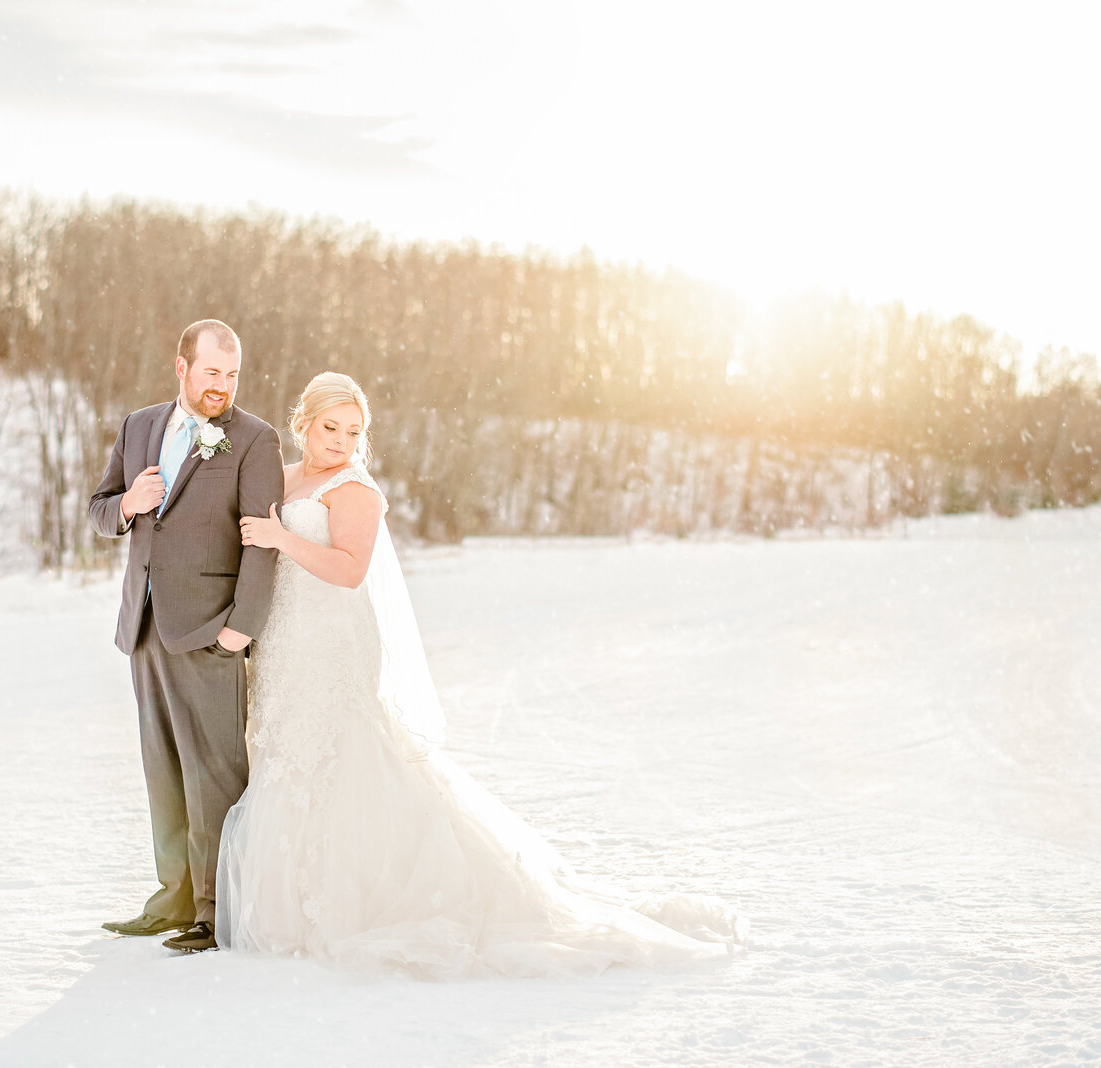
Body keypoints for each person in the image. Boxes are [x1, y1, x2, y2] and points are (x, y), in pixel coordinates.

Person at [222, 371, 746, 978]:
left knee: (344, 755)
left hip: (335, 642)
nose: (340, 441)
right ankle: (285, 903)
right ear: (303, 423)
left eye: (353, 431)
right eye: (330, 427)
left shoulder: (354, 489)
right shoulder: (284, 479)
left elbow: (347, 571)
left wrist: (282, 537)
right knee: (285, 751)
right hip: (288, 639)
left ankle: (362, 899)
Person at [87, 319, 284, 954]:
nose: (222, 387)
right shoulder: (139, 426)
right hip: (144, 625)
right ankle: (171, 897)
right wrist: (127, 505)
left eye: (232, 375)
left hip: (209, 631)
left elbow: (262, 545)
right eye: (211, 374)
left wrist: (240, 629)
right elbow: (97, 507)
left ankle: (216, 909)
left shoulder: (255, 441)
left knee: (216, 776)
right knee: (163, 771)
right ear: (182, 368)